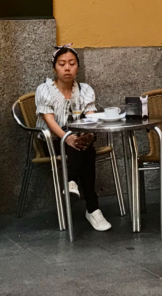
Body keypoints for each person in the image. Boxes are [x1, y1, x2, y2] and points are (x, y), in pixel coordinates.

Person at [35, 45, 112, 231]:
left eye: (72, 63)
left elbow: (91, 117)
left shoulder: (84, 90)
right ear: (54, 68)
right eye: (62, 64)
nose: (67, 68)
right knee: (80, 147)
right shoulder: (44, 89)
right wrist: (66, 137)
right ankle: (92, 208)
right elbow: (49, 121)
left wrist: (88, 135)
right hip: (53, 140)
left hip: (79, 136)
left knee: (84, 145)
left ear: (78, 67)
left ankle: (71, 182)